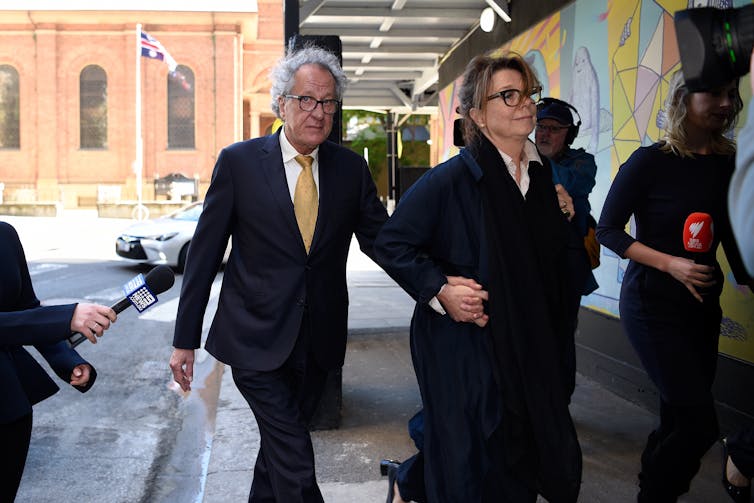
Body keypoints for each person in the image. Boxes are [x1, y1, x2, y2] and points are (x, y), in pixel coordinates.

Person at [168, 44, 387, 503]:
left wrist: (438, 283)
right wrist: (184, 339)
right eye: (306, 99)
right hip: (252, 339)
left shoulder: (350, 169)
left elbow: (385, 241)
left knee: (276, 457)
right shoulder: (239, 163)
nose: (318, 112)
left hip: (318, 344)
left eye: (328, 102)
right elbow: (204, 257)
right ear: (282, 102)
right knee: (295, 460)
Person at [375, 52, 581, 503]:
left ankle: (409, 484)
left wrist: (562, 216)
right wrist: (440, 289)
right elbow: (392, 243)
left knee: (518, 449)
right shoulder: (450, 179)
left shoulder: (544, 182)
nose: (525, 104)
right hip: (462, 343)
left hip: (528, 341)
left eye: (528, 93)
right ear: (477, 115)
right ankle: (415, 484)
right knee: (466, 455)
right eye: (508, 95)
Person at [596, 69, 753, 502]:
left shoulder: (730, 162)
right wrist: (672, 264)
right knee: (699, 424)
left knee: (676, 417)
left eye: (731, 94)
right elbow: (608, 229)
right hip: (652, 304)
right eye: (715, 93)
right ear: (685, 100)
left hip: (702, 307)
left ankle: (655, 488)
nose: (726, 103)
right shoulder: (651, 161)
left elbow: (736, 234)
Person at [1, 221, 117, 501]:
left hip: (9, 409)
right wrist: (66, 318)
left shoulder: (5, 235)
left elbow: (25, 308)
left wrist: (66, 359)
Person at [535, 96, 599, 398]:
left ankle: (560, 399)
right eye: (540, 127)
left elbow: (571, 184)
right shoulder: (526, 161)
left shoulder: (582, 163)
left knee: (560, 331)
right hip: (532, 259)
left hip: (567, 261)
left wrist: (534, 157)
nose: (545, 133)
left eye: (554, 128)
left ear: (569, 135)